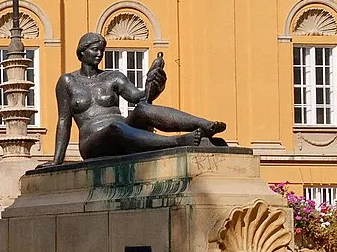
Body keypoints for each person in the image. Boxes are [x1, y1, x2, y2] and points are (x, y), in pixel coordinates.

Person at [51, 31, 227, 164]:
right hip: (93, 142)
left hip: (123, 128)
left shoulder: (113, 77)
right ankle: (178, 141)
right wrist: (57, 160)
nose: (100, 54)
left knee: (142, 110)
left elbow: (141, 98)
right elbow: (63, 121)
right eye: (95, 50)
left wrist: (156, 85)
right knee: (115, 127)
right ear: (82, 53)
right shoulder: (68, 81)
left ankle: (204, 125)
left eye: (102, 51)